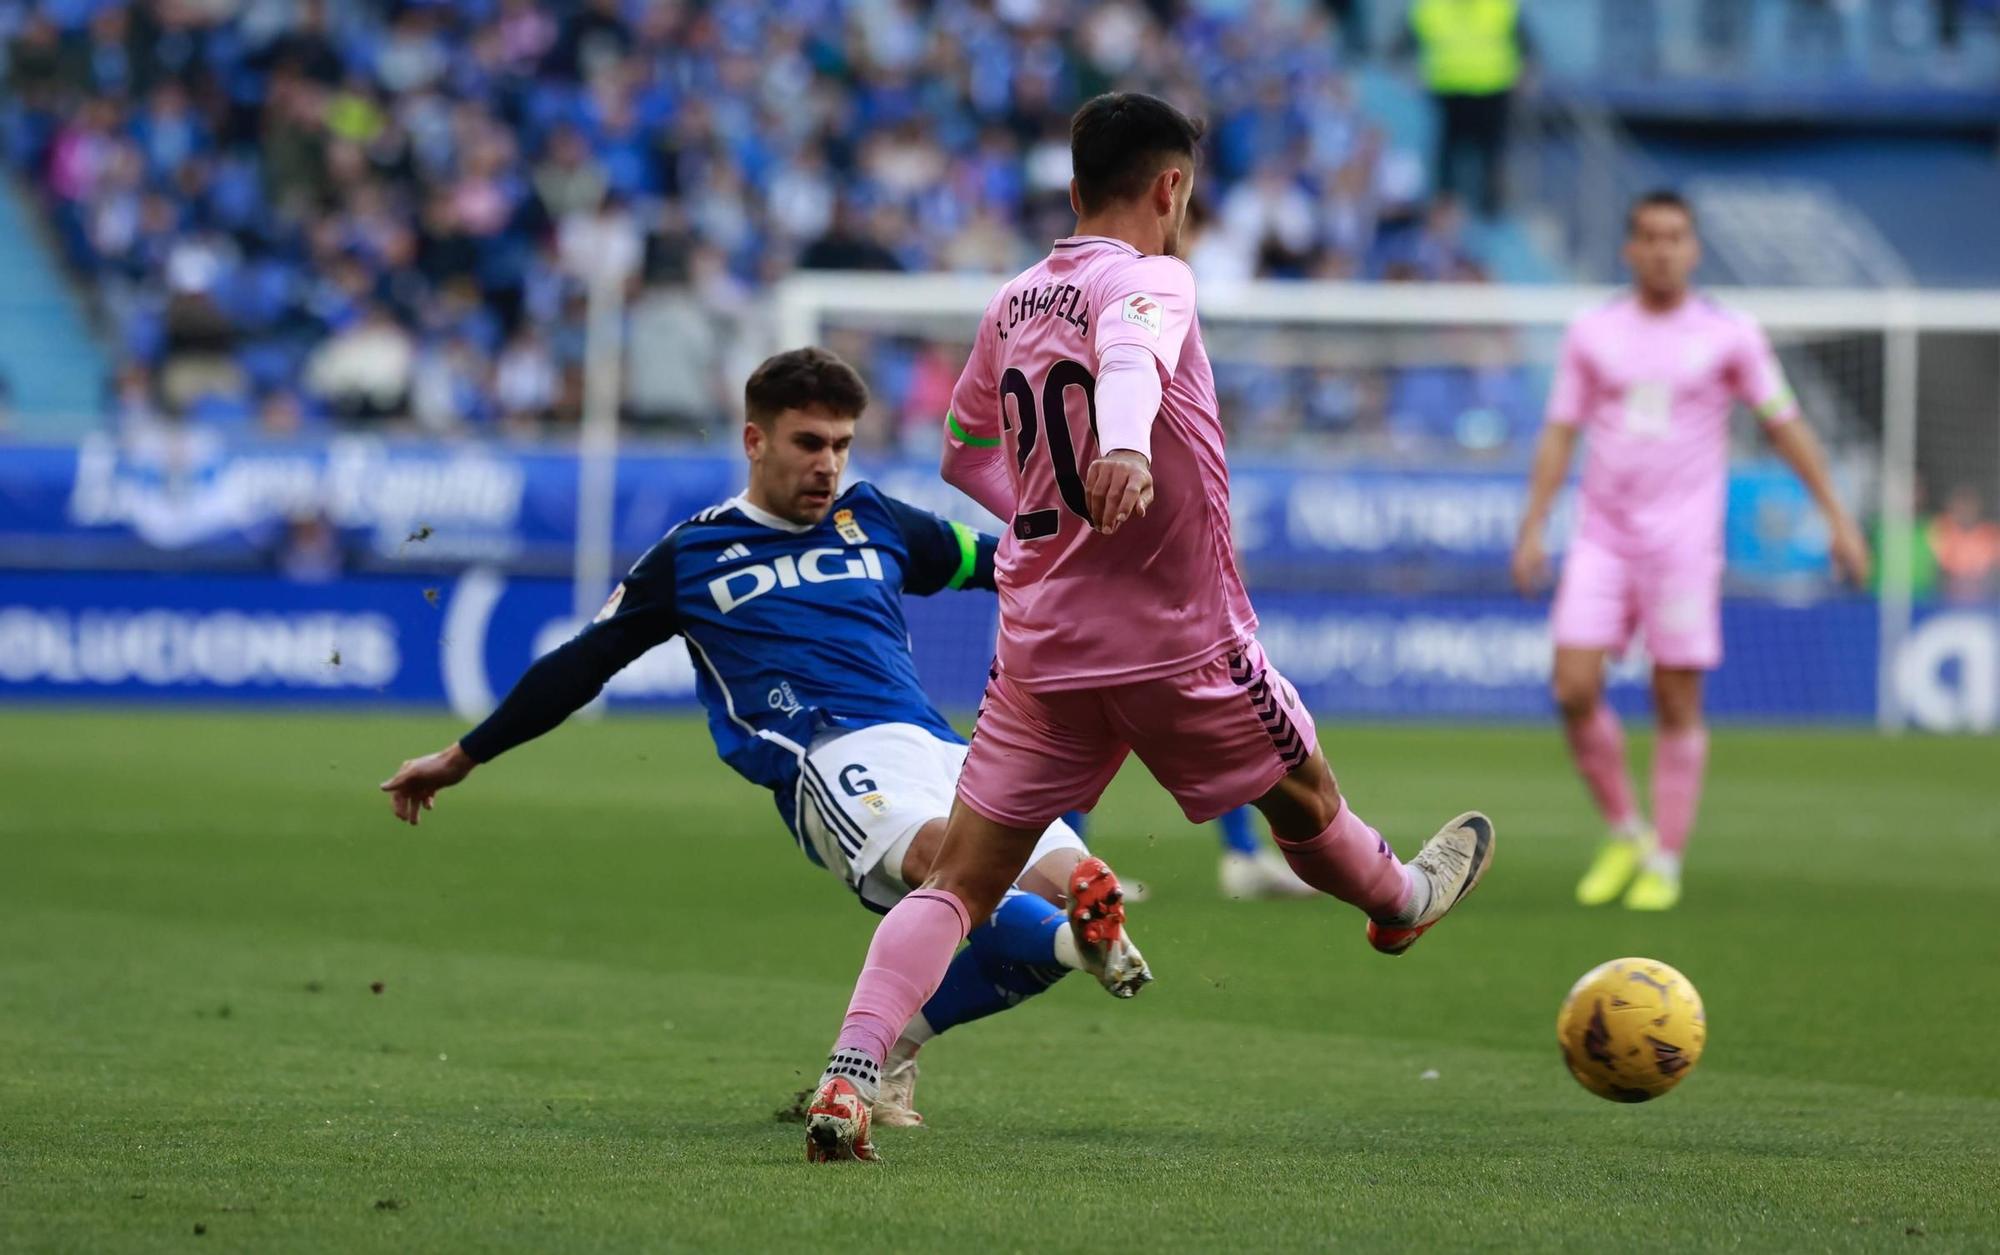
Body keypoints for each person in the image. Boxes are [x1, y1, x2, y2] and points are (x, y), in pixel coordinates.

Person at [802, 92, 1494, 1164]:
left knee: (958, 886)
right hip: (1180, 641)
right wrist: (1117, 453)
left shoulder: (1015, 299)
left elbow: (958, 448)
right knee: (1303, 795)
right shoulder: (1154, 276)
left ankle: (850, 1070)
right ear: (1170, 188)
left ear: (1073, 185)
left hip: (1042, 650)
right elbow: (1131, 360)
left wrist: (1044, 518)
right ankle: (1400, 900)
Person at [379, 348, 1152, 1128]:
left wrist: (1106, 581)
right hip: (828, 757)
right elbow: (581, 664)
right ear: (755, 440)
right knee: (951, 867)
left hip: (941, 744)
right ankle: (1073, 946)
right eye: (809, 443)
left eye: (842, 444)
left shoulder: (874, 518)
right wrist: (462, 755)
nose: (828, 464)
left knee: (1083, 881)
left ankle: (901, 1045)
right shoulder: (692, 555)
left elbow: (1004, 565)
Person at [1511, 190, 1871, 913]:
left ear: (1694, 248)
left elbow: (1785, 424)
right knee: (1572, 686)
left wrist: (1838, 516)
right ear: (1629, 249)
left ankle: (1666, 858)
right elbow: (1560, 430)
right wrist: (1533, 522)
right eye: (1649, 235)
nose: (1663, 248)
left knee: (1676, 697)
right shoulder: (1593, 331)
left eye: (1675, 236)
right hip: (1601, 539)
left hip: (1681, 547)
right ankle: (1626, 830)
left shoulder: (1730, 333)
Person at [1397, 0, 1531, 218]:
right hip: (1448, 89)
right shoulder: (1431, 7)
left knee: (1492, 154)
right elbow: (1403, 43)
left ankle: (1491, 210)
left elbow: (1525, 43)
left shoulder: (1500, 5)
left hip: (1492, 87)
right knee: (1447, 155)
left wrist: (1525, 72)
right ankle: (1445, 211)